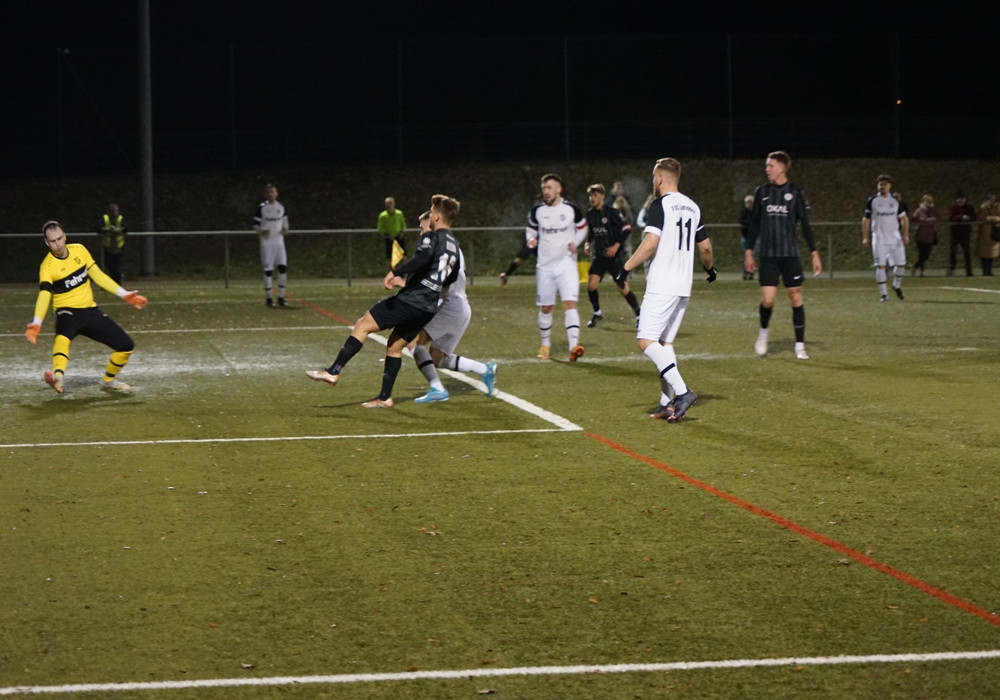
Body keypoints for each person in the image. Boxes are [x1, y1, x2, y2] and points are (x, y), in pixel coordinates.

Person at [305, 194, 461, 408]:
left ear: (437, 216)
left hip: (411, 301)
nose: (430, 215)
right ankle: (385, 397)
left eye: (432, 211)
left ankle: (333, 371)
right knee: (395, 346)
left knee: (362, 325)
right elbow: (451, 277)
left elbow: (422, 258)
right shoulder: (454, 245)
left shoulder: (432, 237)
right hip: (427, 307)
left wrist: (395, 272)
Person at [614, 157, 715, 423]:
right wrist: (710, 269)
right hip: (683, 286)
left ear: (659, 178)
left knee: (646, 341)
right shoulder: (693, 207)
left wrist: (625, 268)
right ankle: (666, 404)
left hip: (662, 285)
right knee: (664, 343)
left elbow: (650, 243)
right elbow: (705, 247)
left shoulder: (660, 205)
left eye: (653, 176)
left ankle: (682, 393)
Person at [25, 221, 148, 394]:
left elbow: (98, 275)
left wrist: (124, 294)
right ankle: (58, 378)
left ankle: (107, 381)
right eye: (53, 241)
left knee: (126, 345)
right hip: (66, 312)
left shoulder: (79, 250)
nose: (58, 244)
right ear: (47, 243)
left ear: (65, 235)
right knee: (62, 339)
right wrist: (37, 322)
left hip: (90, 311)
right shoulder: (47, 266)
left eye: (60, 238)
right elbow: (44, 295)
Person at [408, 211, 497, 403]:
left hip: (451, 306)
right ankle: (484, 369)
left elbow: (437, 281)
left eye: (423, 228)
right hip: (459, 306)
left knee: (413, 341)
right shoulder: (447, 246)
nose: (420, 233)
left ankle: (437, 388)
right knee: (437, 358)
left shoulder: (442, 248)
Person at [744, 150, 822, 360]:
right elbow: (754, 224)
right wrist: (749, 252)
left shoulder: (795, 193)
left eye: (770, 165)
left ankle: (799, 345)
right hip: (768, 256)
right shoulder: (762, 192)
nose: (767, 169)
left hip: (790, 255)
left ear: (782, 167)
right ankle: (763, 332)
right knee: (768, 300)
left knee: (795, 297)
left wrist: (814, 253)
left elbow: (805, 224)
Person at [525, 173, 589, 361]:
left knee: (570, 303)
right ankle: (545, 344)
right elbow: (530, 229)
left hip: (567, 264)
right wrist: (531, 239)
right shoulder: (537, 210)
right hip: (545, 266)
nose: (546, 191)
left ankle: (573, 346)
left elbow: (583, 227)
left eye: (549, 188)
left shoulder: (571, 209)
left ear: (559, 189)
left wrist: (575, 242)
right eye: (544, 188)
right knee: (546, 307)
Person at [583, 183, 640, 328]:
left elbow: (627, 228)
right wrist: (588, 243)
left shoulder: (612, 212)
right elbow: (591, 232)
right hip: (599, 256)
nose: (592, 198)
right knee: (591, 285)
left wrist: (616, 245)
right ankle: (597, 313)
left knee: (623, 287)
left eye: (595, 195)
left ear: (602, 196)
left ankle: (639, 315)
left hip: (614, 257)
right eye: (590, 195)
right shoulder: (590, 214)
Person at [862, 174, 909, 301]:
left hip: (895, 239)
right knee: (880, 266)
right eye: (880, 184)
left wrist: (905, 234)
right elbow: (866, 219)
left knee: (901, 265)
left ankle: (896, 285)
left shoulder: (895, 201)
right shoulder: (872, 200)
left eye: (885, 184)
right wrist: (865, 236)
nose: (882, 186)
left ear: (890, 186)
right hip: (879, 239)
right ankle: (884, 294)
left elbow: (904, 218)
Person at [253, 182, 289, 307]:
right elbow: (255, 225)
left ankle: (281, 297)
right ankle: (269, 298)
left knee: (282, 268)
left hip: (279, 243)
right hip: (267, 243)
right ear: (265, 194)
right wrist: (261, 231)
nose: (270, 194)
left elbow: (285, 221)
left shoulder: (281, 207)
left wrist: (285, 229)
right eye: (268, 192)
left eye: (272, 192)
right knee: (268, 270)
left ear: (276, 193)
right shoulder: (261, 208)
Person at [947, 189, 976, 277]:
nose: (961, 200)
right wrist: (961, 217)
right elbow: (951, 217)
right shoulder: (953, 208)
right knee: (953, 251)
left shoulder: (969, 207)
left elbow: (974, 217)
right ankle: (952, 269)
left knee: (967, 252)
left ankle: (969, 270)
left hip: (965, 233)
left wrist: (968, 217)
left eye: (962, 198)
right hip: (954, 233)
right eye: (959, 198)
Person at [96, 202, 127, 284]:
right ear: (109, 211)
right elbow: (98, 228)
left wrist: (118, 230)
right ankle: (113, 281)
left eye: (115, 211)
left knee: (117, 266)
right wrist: (107, 229)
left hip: (119, 247)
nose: (114, 213)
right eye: (112, 211)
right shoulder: (105, 218)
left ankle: (117, 282)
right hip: (107, 247)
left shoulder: (120, 218)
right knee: (109, 265)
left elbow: (126, 228)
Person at [910, 194, 938, 277]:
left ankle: (916, 267)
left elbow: (934, 220)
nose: (928, 203)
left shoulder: (932, 211)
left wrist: (927, 221)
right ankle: (921, 271)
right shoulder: (919, 210)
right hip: (920, 235)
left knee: (927, 255)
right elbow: (916, 218)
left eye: (929, 201)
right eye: (927, 201)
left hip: (929, 236)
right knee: (921, 254)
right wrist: (926, 221)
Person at [975, 191, 1000, 276]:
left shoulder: (998, 207)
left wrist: (993, 219)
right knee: (984, 253)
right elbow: (982, 218)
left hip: (994, 233)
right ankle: (985, 270)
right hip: (984, 233)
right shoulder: (983, 207)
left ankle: (989, 270)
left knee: (992, 253)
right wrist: (995, 219)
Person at [377, 197, 407, 264]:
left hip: (399, 237)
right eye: (387, 203)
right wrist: (387, 234)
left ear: (394, 204)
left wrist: (402, 232)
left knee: (403, 255)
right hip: (389, 238)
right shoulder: (382, 215)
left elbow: (403, 225)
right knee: (390, 257)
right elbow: (380, 228)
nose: (389, 205)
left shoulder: (399, 213)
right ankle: (393, 270)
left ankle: (406, 269)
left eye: (390, 203)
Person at [738, 194, 754, 280]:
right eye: (748, 202)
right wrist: (750, 223)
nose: (749, 204)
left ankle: (749, 272)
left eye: (751, 202)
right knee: (748, 255)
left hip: (754, 237)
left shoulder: (756, 212)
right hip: (745, 236)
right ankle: (748, 271)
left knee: (751, 255)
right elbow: (741, 220)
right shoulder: (743, 212)